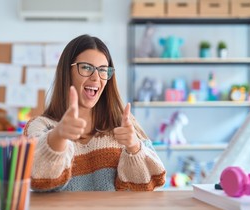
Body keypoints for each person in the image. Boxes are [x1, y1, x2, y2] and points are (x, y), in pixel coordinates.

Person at [24, 34, 166, 191]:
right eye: (86, 67)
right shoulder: (39, 126)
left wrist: (134, 148)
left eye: (103, 70)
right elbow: (35, 179)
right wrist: (58, 135)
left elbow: (151, 184)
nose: (96, 77)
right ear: (67, 71)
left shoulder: (123, 124)